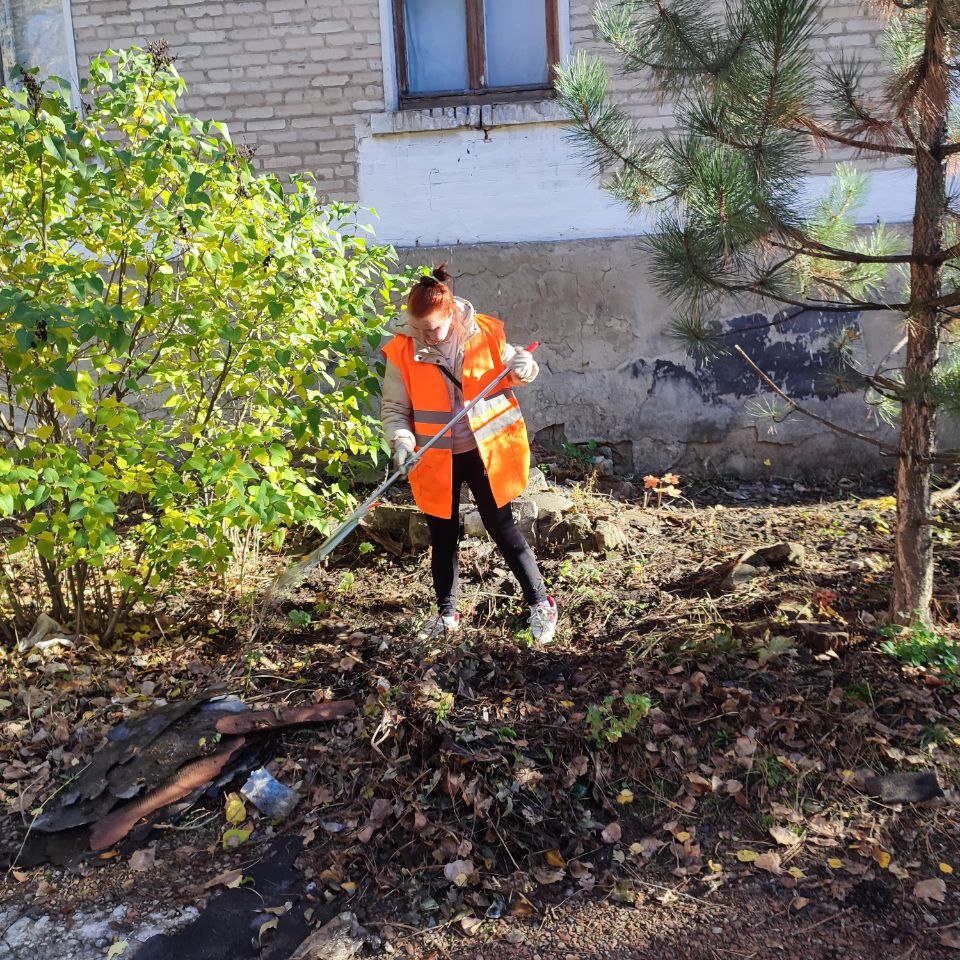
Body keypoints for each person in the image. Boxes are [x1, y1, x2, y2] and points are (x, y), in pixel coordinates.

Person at [380, 264, 559, 644]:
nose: (425, 336)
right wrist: (402, 442)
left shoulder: (486, 333)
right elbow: (396, 409)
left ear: (451, 317)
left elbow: (513, 370)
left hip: (484, 451)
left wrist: (526, 368)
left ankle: (541, 603)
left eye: (433, 329)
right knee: (442, 536)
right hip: (434, 457)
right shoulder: (403, 350)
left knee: (500, 526)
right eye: (417, 328)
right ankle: (446, 614)